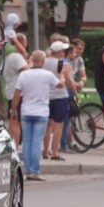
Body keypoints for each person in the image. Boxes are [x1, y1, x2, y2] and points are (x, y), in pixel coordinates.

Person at [11, 50, 64, 182]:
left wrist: (13, 110)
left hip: (26, 111)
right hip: (41, 112)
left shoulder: (24, 75)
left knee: (27, 141)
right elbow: (60, 85)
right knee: (36, 142)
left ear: (32, 60)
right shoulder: (48, 75)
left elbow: (17, 94)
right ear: (43, 61)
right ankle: (34, 171)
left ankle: (28, 169)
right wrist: (62, 75)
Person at [42, 41, 74, 161]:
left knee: (48, 125)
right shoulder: (62, 64)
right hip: (60, 96)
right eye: (63, 51)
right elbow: (69, 82)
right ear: (60, 52)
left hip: (47, 96)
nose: (64, 53)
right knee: (59, 125)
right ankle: (55, 152)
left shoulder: (44, 61)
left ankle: (45, 151)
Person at [3, 33, 29, 148]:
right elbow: (26, 70)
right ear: (21, 43)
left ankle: (8, 144)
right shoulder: (16, 57)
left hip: (10, 91)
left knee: (13, 120)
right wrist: (33, 62)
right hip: (17, 93)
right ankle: (16, 147)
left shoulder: (8, 57)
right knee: (16, 121)